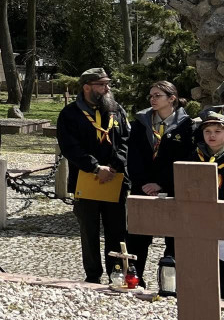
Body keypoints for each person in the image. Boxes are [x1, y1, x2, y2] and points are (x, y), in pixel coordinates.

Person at [56, 67, 130, 284]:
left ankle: (117, 273)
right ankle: (92, 275)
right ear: (87, 87)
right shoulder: (70, 114)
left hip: (116, 179)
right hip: (86, 179)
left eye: (108, 84)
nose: (107, 88)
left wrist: (114, 165)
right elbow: (70, 147)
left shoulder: (116, 110)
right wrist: (96, 168)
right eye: (102, 85)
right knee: (89, 231)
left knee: (117, 230)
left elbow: (127, 139)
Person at [125, 80, 194, 286]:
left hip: (172, 189)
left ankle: (170, 284)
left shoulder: (187, 125)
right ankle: (134, 280)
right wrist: (144, 183)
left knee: (173, 239)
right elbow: (133, 156)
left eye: (157, 95)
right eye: (151, 95)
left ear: (171, 99)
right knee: (138, 237)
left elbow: (185, 160)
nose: (152, 99)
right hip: (142, 187)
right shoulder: (140, 123)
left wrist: (162, 184)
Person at [193, 111, 224, 295]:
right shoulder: (196, 155)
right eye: (207, 131)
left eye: (218, 131)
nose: (212, 136)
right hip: (202, 214)